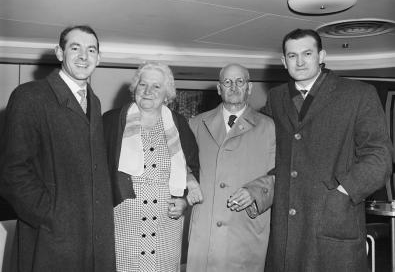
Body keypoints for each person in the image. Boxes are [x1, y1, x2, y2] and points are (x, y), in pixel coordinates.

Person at [261, 28, 393, 271]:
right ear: (283, 61)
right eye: (292, 56)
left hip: (334, 222)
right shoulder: (276, 98)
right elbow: (260, 145)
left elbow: (380, 157)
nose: (299, 62)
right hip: (285, 233)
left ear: (321, 56)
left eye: (307, 53)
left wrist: (343, 192)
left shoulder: (359, 94)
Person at [0, 25, 115, 271]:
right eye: (75, 48)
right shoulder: (29, 96)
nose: (84, 56)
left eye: (91, 50)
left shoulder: (93, 101)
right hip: (51, 239)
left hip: (93, 237)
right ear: (59, 53)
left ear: (99, 58)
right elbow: (13, 173)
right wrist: (52, 215)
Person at [102, 62, 202, 272]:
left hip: (165, 225)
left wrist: (184, 201)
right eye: (142, 84)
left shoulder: (179, 124)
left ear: (167, 93)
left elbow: (191, 169)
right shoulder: (111, 121)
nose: (148, 91)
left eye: (156, 86)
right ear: (134, 88)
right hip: (124, 225)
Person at [186, 63, 276, 272]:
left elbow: (281, 174)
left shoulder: (269, 127)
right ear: (219, 89)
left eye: (240, 81)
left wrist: (255, 192)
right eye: (227, 82)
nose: (233, 87)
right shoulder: (196, 124)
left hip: (244, 228)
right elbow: (181, 165)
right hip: (205, 230)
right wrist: (188, 179)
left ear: (249, 87)